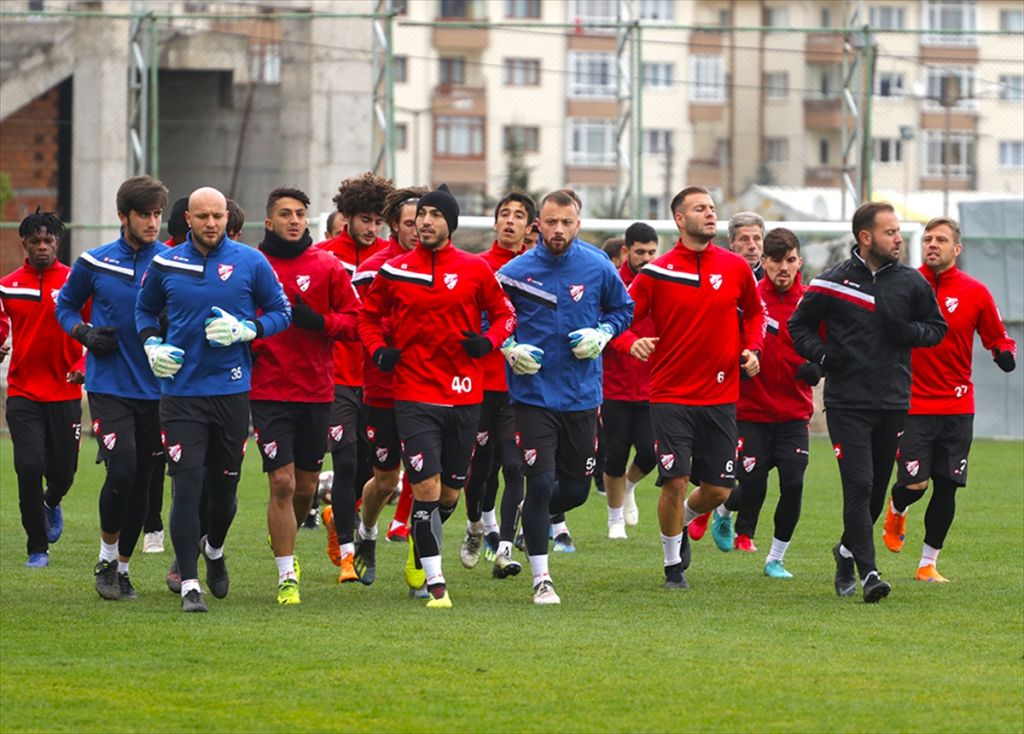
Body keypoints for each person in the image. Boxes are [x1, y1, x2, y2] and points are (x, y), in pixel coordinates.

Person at [358, 183, 516, 608]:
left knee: (448, 494)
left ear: (451, 224)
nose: (425, 222)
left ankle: (420, 540)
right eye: (421, 215)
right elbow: (367, 319)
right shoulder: (394, 271)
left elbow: (506, 315)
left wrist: (489, 341)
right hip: (412, 392)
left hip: (465, 395)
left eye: (435, 215)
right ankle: (435, 581)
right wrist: (378, 351)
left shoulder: (475, 270)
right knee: (423, 486)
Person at [136, 186, 291, 612]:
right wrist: (152, 345)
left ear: (228, 218)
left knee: (224, 493)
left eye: (217, 216)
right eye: (202, 216)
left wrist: (249, 330)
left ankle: (215, 551)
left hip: (231, 393)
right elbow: (144, 311)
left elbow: (282, 311)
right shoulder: (165, 262)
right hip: (181, 395)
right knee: (186, 488)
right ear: (188, 218)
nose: (210, 224)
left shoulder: (251, 262)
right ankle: (189, 585)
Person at [789, 201, 946, 603]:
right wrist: (822, 356)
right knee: (858, 485)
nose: (898, 239)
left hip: (893, 400)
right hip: (846, 403)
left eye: (897, 232)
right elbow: (799, 326)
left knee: (876, 493)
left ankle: (844, 552)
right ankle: (870, 573)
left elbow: (935, 329)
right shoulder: (830, 282)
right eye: (890, 232)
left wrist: (907, 331)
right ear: (865, 237)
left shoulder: (912, 283)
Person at [613, 186, 764, 591]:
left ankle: (688, 521)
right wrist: (631, 343)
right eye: (701, 209)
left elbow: (754, 313)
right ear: (680, 219)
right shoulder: (655, 273)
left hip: (720, 397)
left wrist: (753, 348)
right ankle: (672, 565)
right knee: (675, 481)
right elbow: (619, 320)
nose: (711, 214)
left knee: (718, 489)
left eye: (713, 208)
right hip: (670, 396)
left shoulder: (735, 268)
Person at [497, 189, 634, 604]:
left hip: (582, 396)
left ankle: (528, 520)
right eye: (551, 222)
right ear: (538, 223)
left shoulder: (596, 266)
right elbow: (490, 317)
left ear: (578, 222)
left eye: (567, 222)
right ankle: (542, 579)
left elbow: (622, 310)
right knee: (538, 485)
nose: (558, 230)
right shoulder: (515, 271)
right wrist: (510, 348)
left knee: (573, 492)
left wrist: (603, 334)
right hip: (533, 396)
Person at [881, 216, 1016, 582]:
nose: (932, 244)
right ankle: (897, 508)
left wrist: (1004, 352)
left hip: (957, 407)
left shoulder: (975, 291)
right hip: (912, 405)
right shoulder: (903, 285)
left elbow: (997, 336)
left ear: (957, 248)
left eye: (941, 239)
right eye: (927, 239)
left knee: (948, 485)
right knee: (914, 485)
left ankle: (927, 564)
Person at [56, 176, 169, 599]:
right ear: (123, 216)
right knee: (121, 469)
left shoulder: (172, 263)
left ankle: (122, 568)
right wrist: (84, 333)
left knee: (142, 482)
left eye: (158, 214)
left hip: (158, 392)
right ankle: (105, 558)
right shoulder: (94, 262)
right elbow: (64, 306)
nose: (153, 222)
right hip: (109, 387)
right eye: (144, 214)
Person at [250, 187, 360, 604]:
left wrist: (321, 322)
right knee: (281, 481)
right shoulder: (253, 266)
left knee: (304, 486)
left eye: (299, 213)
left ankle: (286, 540)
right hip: (268, 389)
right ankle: (286, 572)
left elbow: (354, 322)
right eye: (285, 213)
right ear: (269, 221)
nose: (294, 220)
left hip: (316, 391)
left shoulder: (327, 266)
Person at [724, 228, 819, 577]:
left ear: (799, 263)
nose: (783, 267)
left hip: (793, 414)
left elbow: (827, 348)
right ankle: (721, 510)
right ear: (763, 262)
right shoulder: (749, 303)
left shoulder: (810, 303)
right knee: (752, 486)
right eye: (776, 260)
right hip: (750, 412)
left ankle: (775, 558)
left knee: (793, 483)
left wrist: (817, 366)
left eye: (790, 260)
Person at [350, 185, 428, 595]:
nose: (420, 229)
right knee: (386, 480)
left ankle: (421, 565)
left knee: (425, 479)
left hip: (430, 391)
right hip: (383, 390)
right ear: (394, 225)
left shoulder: (443, 267)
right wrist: (387, 348)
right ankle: (366, 531)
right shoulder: (373, 271)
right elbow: (362, 323)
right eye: (411, 223)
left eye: (426, 221)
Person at [318, 172, 393, 584]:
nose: (372, 228)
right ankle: (348, 553)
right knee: (344, 460)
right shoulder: (323, 255)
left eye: (377, 221)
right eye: (365, 219)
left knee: (370, 470)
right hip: (336, 375)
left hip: (379, 379)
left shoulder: (392, 260)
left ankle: (348, 523)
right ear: (345, 217)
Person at [1, 210, 85, 567]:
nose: (42, 246)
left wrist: (83, 367)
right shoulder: (7, 286)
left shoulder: (76, 283)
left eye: (48, 240)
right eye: (35, 240)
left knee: (63, 473)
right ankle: (37, 547)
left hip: (65, 392)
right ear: (24, 244)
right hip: (23, 393)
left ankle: (52, 501)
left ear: (57, 243)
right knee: (29, 465)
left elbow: (96, 329)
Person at [460, 192, 535, 578]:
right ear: (494, 223)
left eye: (518, 215)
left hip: (522, 388)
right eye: (504, 214)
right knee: (480, 470)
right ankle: (475, 527)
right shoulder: (477, 267)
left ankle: (504, 547)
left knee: (515, 466)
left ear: (529, 227)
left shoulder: (538, 268)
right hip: (481, 383)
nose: (509, 221)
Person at [690, 210, 767, 543]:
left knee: (755, 475)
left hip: (759, 390)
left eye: (757, 240)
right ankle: (708, 505)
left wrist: (755, 353)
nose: (752, 246)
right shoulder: (713, 274)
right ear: (731, 242)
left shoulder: (772, 278)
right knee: (721, 468)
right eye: (745, 240)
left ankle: (738, 527)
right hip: (715, 386)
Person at [601, 222, 659, 539]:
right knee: (615, 455)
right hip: (615, 385)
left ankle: (630, 485)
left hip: (652, 387)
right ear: (626, 251)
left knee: (650, 453)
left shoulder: (661, 282)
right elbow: (606, 330)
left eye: (652, 252)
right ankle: (614, 519)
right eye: (640, 252)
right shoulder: (612, 285)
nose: (647, 258)